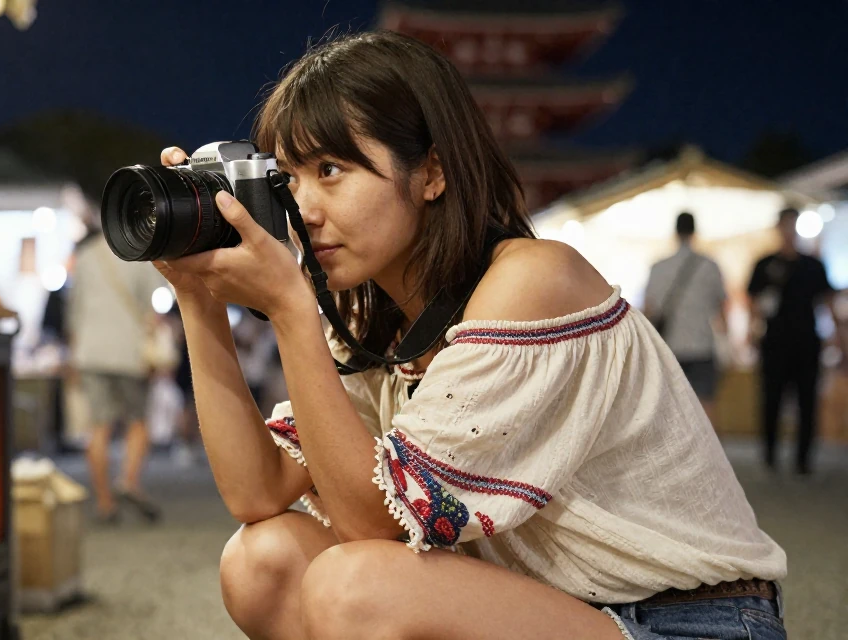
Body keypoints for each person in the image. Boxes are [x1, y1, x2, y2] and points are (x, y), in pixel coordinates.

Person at [154, 31, 786, 640]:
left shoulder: (535, 280)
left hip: (691, 622)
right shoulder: (376, 318)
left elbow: (376, 524)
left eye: (331, 169)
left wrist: (293, 311)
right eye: (290, 178)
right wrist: (196, 295)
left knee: (355, 587)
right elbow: (256, 492)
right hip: (555, 611)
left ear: (432, 173)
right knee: (260, 562)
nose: (307, 209)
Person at [67, 228, 166, 524]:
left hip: (90, 351)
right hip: (129, 351)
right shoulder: (140, 254)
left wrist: (74, 355)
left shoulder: (84, 256)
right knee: (137, 421)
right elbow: (152, 309)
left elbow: (74, 310)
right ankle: (128, 481)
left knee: (99, 426)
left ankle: (104, 503)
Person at [747, 208, 838, 475]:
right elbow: (754, 302)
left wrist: (837, 337)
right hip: (775, 341)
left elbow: (827, 301)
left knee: (807, 402)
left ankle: (803, 459)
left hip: (806, 341)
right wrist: (753, 332)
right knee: (771, 399)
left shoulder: (813, 265)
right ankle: (770, 455)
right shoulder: (765, 264)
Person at [643, 212, 728, 426]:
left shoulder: (658, 267)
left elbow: (649, 309)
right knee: (706, 403)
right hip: (702, 344)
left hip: (669, 346)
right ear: (694, 232)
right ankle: (710, 457)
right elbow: (721, 309)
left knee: (669, 407)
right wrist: (728, 344)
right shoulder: (709, 266)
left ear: (675, 232)